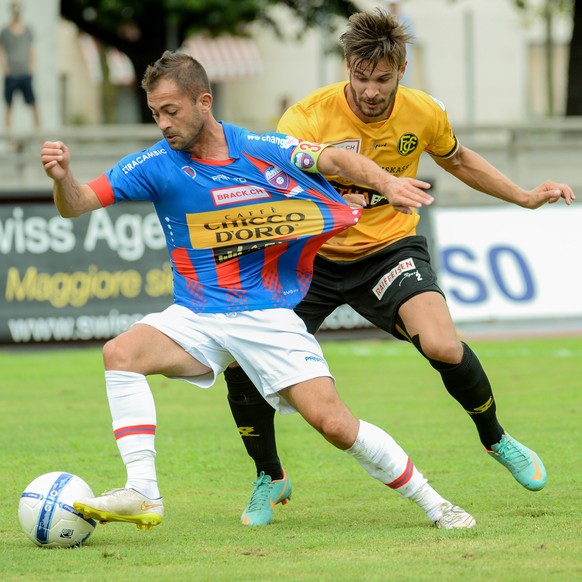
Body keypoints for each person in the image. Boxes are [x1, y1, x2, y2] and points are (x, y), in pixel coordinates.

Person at [41, 50, 477, 531]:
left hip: (265, 315)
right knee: (120, 353)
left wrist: (387, 182)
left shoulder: (259, 148)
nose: (162, 123)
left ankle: (436, 503)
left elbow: (332, 157)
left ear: (203, 102)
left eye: (171, 111)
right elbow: (77, 204)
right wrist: (64, 180)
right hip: (197, 315)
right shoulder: (152, 165)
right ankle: (143, 491)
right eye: (155, 113)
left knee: (335, 426)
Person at [224, 7, 575, 527]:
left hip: (388, 252)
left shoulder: (422, 113)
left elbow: (458, 159)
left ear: (402, 69)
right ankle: (269, 475)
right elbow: (274, 184)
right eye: (361, 78)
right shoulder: (306, 117)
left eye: (382, 79)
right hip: (311, 261)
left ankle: (496, 438)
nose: (370, 90)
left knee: (442, 344)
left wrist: (522, 197)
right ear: (346, 66)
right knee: (241, 363)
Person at [0, 1, 40, 131]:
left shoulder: (27, 30)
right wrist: (4, 68)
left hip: (25, 73)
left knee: (33, 103)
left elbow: (31, 50)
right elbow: (1, 51)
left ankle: (39, 134)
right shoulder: (5, 31)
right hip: (11, 74)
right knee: (9, 106)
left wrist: (32, 67)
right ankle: (9, 138)